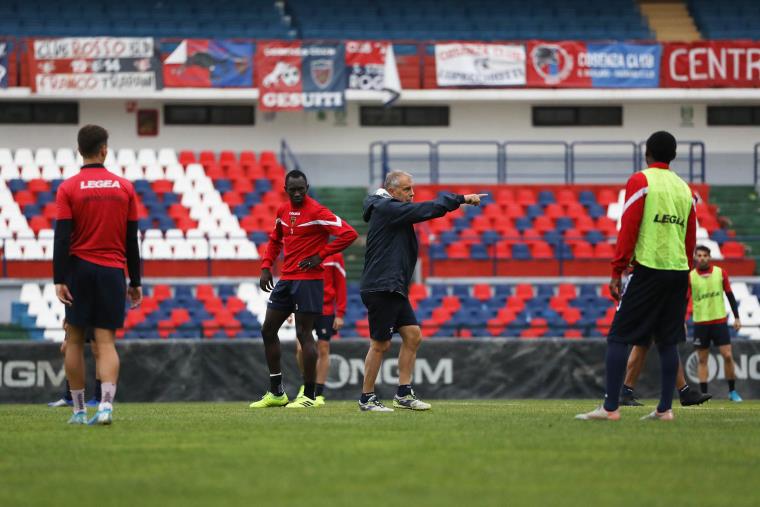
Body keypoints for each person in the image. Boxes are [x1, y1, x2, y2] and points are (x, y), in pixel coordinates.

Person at [576, 131, 697, 421]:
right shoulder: (685, 189)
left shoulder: (641, 181)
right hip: (678, 271)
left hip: (649, 269)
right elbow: (690, 238)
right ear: (674, 156)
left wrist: (617, 269)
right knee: (667, 341)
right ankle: (665, 409)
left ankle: (610, 408)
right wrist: (687, 272)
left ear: (647, 153)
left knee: (618, 337)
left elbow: (629, 226)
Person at [358, 171, 485, 412]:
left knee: (413, 335)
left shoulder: (388, 207)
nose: (412, 193)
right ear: (393, 191)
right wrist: (461, 199)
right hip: (382, 285)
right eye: (407, 189)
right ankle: (367, 398)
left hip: (393, 285)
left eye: (412, 188)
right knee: (380, 344)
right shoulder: (387, 208)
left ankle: (403, 394)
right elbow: (425, 210)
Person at [54, 124, 142, 425]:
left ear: (80, 150)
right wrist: (136, 281)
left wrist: (59, 278)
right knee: (106, 343)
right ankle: (105, 406)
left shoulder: (68, 188)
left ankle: (79, 411)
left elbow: (62, 238)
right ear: (104, 149)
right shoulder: (125, 187)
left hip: (78, 269)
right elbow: (132, 239)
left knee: (75, 340)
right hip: (112, 271)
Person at [250, 170, 357, 409]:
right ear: (285, 189)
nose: (298, 193)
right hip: (287, 278)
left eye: (302, 189)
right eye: (293, 189)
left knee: (304, 334)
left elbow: (349, 233)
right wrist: (266, 266)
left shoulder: (318, 211)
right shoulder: (282, 211)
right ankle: (277, 392)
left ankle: (309, 395)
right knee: (268, 329)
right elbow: (275, 239)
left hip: (309, 280)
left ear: (307, 187)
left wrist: (321, 255)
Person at [690, 245, 743, 400]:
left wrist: (737, 317)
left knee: (727, 355)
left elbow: (730, 296)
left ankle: (732, 391)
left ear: (709, 257)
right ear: (695, 257)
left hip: (719, 321)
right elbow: (684, 300)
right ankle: (704, 394)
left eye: (705, 255)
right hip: (700, 323)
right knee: (702, 359)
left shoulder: (720, 273)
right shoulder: (691, 276)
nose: (702, 258)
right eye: (699, 255)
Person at [294, 251, 347, 406]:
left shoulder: (335, 255)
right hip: (304, 307)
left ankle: (319, 392)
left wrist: (340, 313)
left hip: (326, 310)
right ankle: (307, 383)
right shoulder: (302, 250)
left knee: (323, 348)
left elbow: (340, 282)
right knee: (300, 349)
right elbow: (294, 282)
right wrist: (290, 307)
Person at [48, 320, 101, 408]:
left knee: (98, 349)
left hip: (94, 310)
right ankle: (70, 397)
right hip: (77, 310)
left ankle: (99, 398)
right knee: (66, 348)